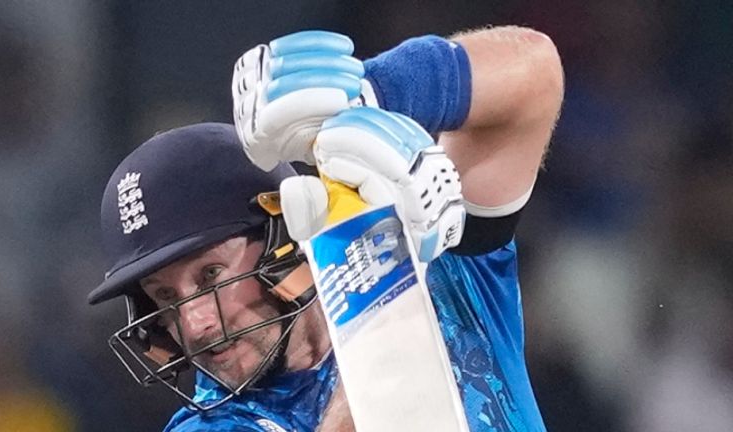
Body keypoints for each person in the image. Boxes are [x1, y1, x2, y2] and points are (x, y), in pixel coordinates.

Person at [88, 26, 563, 431]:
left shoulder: (439, 265)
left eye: (210, 275)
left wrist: (373, 97)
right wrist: (376, 299)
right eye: (166, 298)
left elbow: (533, 75)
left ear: (286, 237)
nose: (195, 326)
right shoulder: (213, 423)